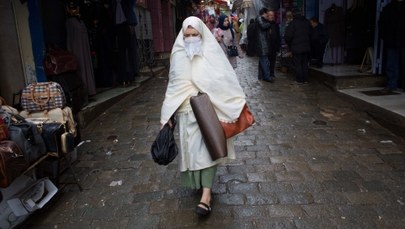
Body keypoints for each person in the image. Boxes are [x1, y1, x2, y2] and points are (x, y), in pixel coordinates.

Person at [160, 16, 246, 217]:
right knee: (191, 154)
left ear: (201, 34)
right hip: (183, 112)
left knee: (206, 152)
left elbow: (222, 78)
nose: (191, 39)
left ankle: (206, 196)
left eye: (195, 35)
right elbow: (173, 85)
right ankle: (201, 187)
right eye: (187, 35)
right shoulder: (178, 54)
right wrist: (167, 114)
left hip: (206, 111)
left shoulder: (211, 54)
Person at [379, 0, 405, 92]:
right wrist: (384, 36)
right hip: (391, 40)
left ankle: (399, 84)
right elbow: (381, 23)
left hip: (401, 40)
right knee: (391, 64)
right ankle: (391, 84)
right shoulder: (388, 8)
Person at [284, 10, 312, 84]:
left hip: (296, 48)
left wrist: (289, 44)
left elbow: (288, 36)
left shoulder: (293, 24)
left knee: (298, 64)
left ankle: (299, 80)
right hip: (306, 47)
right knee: (305, 63)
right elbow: (311, 34)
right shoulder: (307, 22)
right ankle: (305, 79)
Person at [255, 7, 273, 82]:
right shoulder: (260, 19)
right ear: (264, 13)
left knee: (262, 60)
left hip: (264, 44)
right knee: (264, 60)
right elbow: (263, 26)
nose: (268, 16)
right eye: (267, 14)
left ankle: (261, 76)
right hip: (262, 44)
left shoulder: (262, 20)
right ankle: (267, 77)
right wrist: (270, 23)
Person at [267, 10, 281, 78]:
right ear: (267, 16)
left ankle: (272, 73)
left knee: (273, 61)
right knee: (267, 61)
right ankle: (267, 73)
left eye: (272, 15)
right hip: (267, 46)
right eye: (270, 15)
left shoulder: (275, 25)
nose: (272, 17)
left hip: (274, 46)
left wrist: (278, 46)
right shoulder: (265, 24)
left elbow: (278, 36)